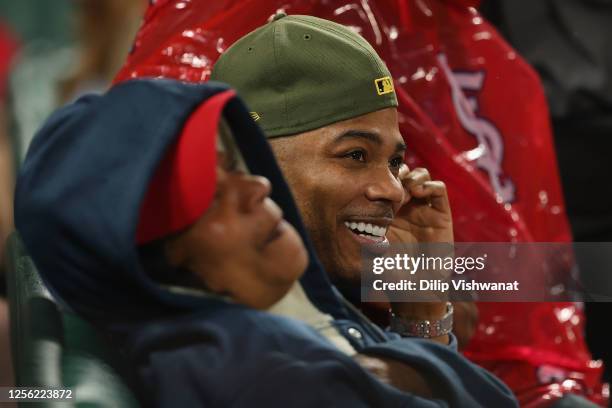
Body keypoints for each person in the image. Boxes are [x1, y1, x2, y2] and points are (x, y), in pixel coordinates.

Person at [15, 78, 518, 406]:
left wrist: (422, 308)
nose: (256, 188)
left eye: (234, 162)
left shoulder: (292, 302)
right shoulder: (266, 372)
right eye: (354, 156)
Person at [210, 13, 457, 342]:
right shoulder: (228, 337)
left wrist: (420, 303)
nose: (394, 190)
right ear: (253, 162)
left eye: (395, 161)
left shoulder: (326, 311)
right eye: (355, 155)